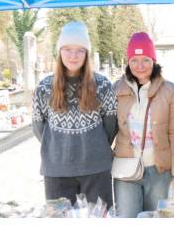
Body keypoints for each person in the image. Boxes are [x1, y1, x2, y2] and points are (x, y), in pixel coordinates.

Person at [32, 21, 117, 208]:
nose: (73, 55)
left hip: (96, 169)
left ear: (87, 53)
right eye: (68, 49)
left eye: (80, 50)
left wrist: (93, 145)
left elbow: (110, 127)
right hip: (57, 171)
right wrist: (59, 147)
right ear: (59, 51)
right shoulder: (44, 88)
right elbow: (39, 128)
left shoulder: (102, 85)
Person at [113, 32, 174, 217]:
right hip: (126, 170)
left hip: (160, 170)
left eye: (145, 59)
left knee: (158, 221)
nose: (140, 66)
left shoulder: (169, 90)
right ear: (128, 62)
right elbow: (106, 128)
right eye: (134, 60)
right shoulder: (116, 89)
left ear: (154, 60)